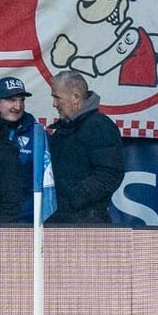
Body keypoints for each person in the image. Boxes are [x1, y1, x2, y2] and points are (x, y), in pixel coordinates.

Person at [46, 69, 124, 225]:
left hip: (87, 223)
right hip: (62, 218)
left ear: (75, 97)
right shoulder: (63, 129)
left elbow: (109, 174)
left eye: (57, 97)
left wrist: (72, 200)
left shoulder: (99, 126)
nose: (54, 104)